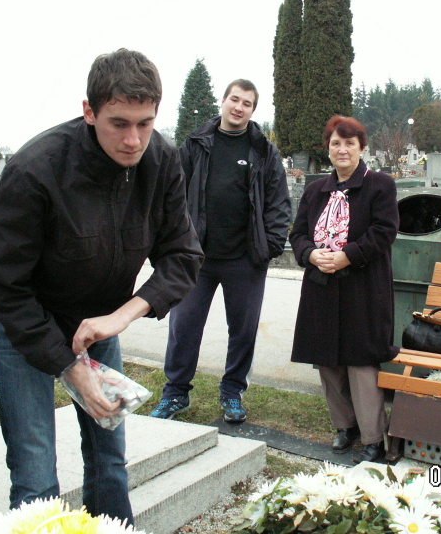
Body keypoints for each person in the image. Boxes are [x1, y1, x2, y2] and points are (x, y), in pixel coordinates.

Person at [0, 49, 204, 522]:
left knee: (109, 460)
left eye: (145, 123)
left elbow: (183, 255)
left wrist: (120, 317)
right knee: (36, 471)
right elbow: (3, 284)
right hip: (27, 324)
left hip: (99, 325)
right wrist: (67, 364)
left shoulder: (161, 161)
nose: (133, 140)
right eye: (118, 123)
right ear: (89, 111)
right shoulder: (35, 169)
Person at [150, 79, 291, 423]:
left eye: (247, 103)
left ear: (253, 110)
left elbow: (278, 202)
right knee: (184, 327)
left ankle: (232, 392)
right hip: (196, 258)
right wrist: (173, 244)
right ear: (223, 101)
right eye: (235, 99)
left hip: (245, 258)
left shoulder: (263, 150)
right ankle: (175, 393)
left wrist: (270, 245)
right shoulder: (196, 144)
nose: (239, 107)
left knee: (243, 331)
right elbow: (172, 194)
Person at [289, 115, 399, 464]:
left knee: (360, 363)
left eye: (349, 143)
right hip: (321, 287)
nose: (342, 149)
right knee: (328, 361)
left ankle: (372, 438)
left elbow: (384, 231)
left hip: (363, 287)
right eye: (336, 143)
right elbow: (298, 234)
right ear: (328, 149)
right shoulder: (315, 191)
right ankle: (344, 426)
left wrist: (347, 256)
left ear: (361, 147)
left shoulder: (380, 186)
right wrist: (310, 254)